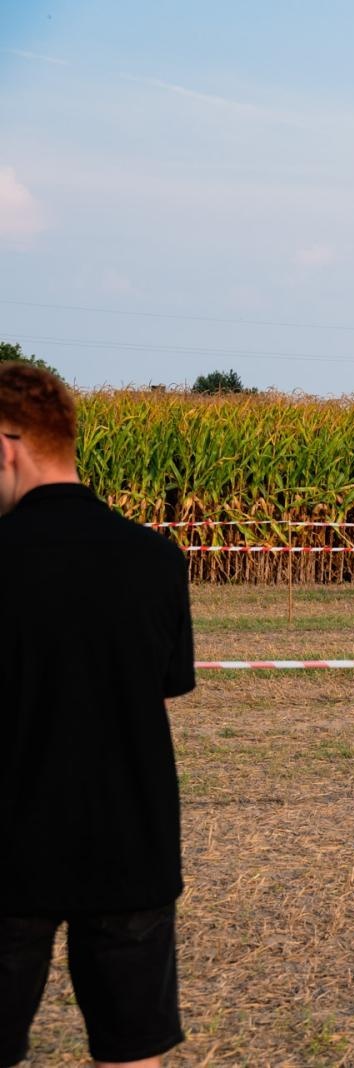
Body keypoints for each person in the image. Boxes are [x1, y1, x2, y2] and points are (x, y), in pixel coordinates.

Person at [0, 364, 194, 1067]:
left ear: (5, 447)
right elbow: (167, 682)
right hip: (129, 846)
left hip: (9, 848)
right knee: (131, 1050)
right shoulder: (155, 559)